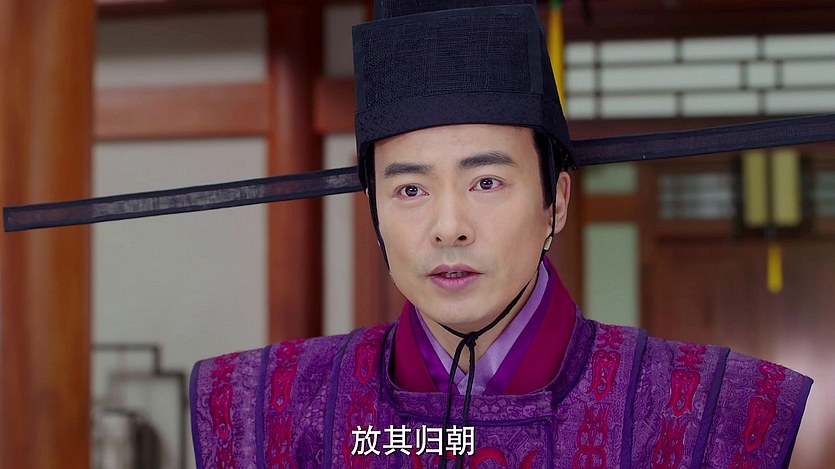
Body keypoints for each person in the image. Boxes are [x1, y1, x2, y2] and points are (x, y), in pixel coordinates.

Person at [189, 1, 812, 468]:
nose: (449, 228)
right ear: (374, 210)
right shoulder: (272, 409)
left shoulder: (702, 410)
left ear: (555, 201)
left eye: (486, 181)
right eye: (410, 190)